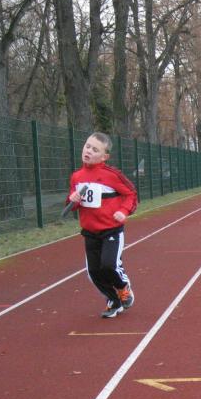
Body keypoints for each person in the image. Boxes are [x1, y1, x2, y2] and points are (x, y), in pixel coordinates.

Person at [66, 132, 138, 318]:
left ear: (104, 156)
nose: (88, 151)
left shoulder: (112, 175)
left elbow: (131, 194)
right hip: (90, 232)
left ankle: (123, 287)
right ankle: (113, 300)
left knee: (109, 265)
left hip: (111, 230)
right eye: (87, 146)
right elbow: (72, 204)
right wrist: (73, 199)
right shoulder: (76, 177)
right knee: (93, 272)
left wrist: (124, 211)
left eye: (95, 149)